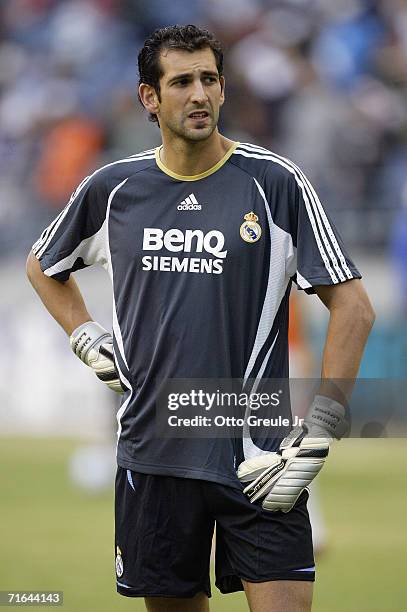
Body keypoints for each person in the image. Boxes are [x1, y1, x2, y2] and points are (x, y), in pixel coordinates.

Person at [26, 24, 375, 612]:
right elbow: (45, 267)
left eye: (210, 80)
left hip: (262, 461)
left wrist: (318, 432)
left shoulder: (275, 184)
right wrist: (86, 337)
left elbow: (354, 308)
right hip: (153, 454)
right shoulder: (115, 189)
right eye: (181, 81)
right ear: (148, 97)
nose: (199, 95)